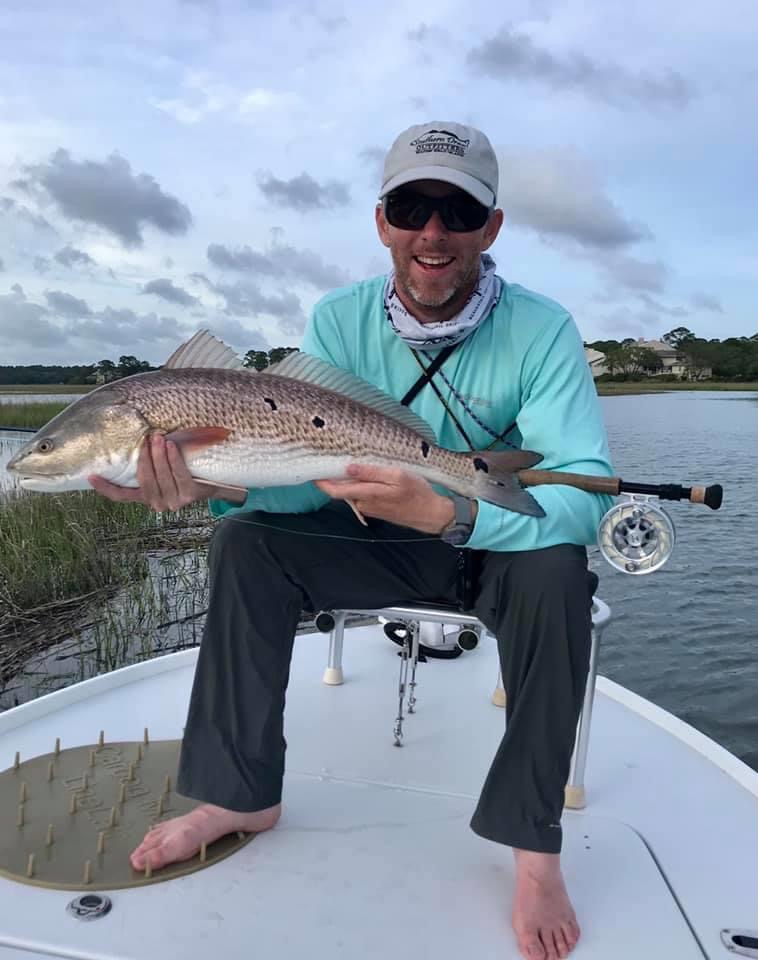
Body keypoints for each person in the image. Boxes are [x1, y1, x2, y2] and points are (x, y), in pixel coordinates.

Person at [91, 120, 614, 960]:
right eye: (412, 207)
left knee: (559, 573)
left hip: (496, 544)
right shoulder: (336, 319)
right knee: (246, 545)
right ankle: (239, 794)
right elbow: (300, 477)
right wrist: (216, 485)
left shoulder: (544, 328)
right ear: (382, 221)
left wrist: (454, 514)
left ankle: (534, 848)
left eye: (457, 211)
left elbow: (583, 489)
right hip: (378, 538)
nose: (432, 233)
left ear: (492, 226)